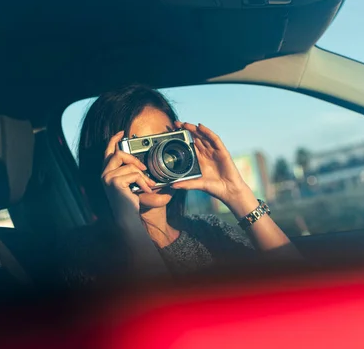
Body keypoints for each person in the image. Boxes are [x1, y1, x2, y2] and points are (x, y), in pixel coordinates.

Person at [58, 84, 301, 287]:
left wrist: (237, 194)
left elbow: (300, 289)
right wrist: (130, 224)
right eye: (141, 147)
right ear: (106, 158)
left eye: (166, 145)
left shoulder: (208, 230)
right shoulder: (83, 258)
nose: (160, 160)